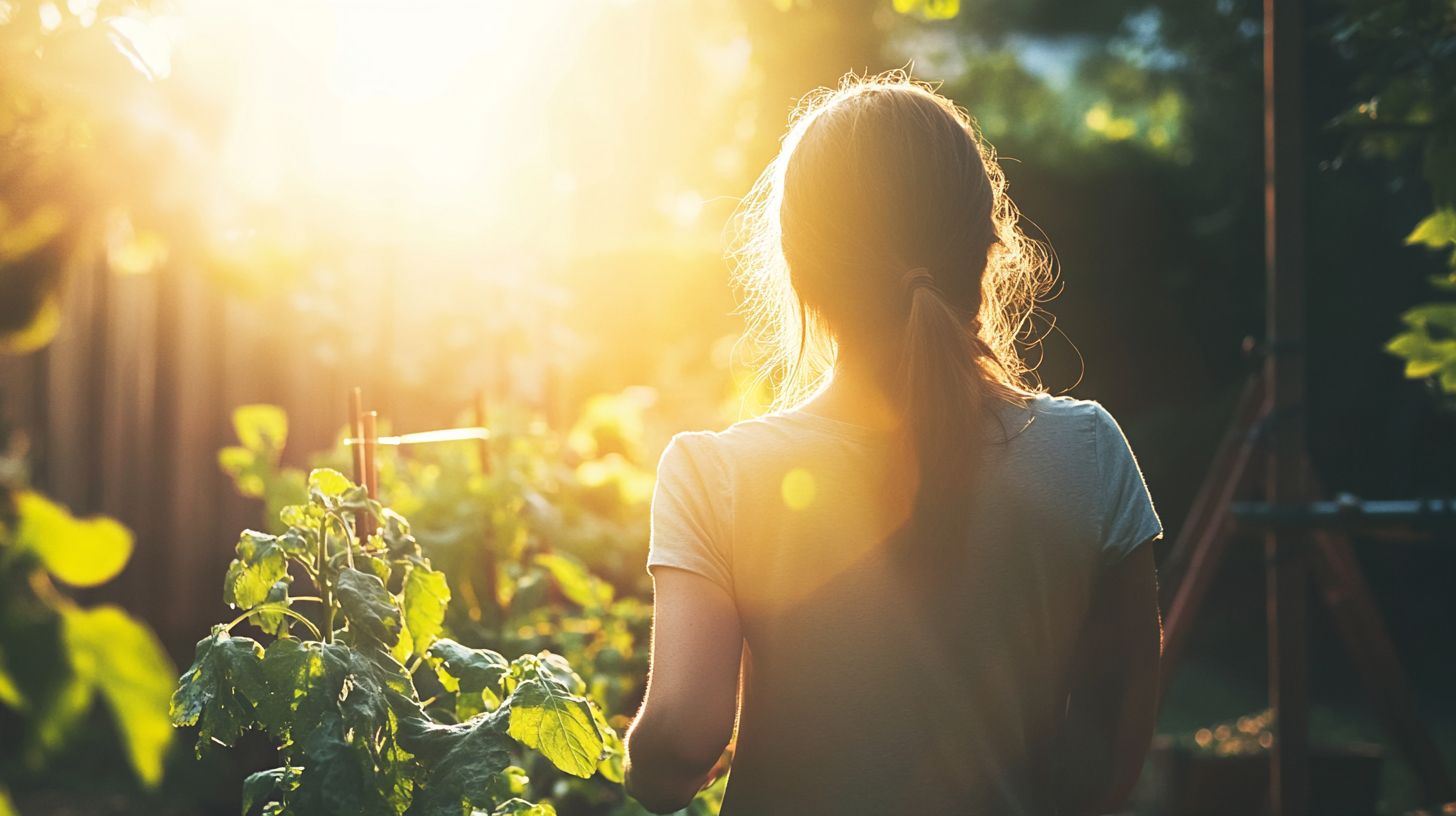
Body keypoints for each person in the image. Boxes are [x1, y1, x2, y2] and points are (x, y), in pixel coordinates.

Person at [623, 71, 1163, 816]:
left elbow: (684, 738)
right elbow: (1111, 724)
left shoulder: (714, 477)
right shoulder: (1088, 454)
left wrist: (638, 769)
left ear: (799, 271)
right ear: (987, 249)